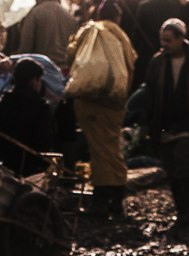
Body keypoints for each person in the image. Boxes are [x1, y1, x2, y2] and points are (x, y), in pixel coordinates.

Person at [144, 17, 189, 229]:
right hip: (165, 124)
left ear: (180, 39)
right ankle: (183, 212)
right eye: (162, 40)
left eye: (168, 40)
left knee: (183, 167)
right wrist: (148, 125)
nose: (164, 44)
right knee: (172, 169)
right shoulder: (157, 63)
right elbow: (149, 95)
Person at [67, 0, 136, 217]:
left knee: (99, 151)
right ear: (118, 17)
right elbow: (131, 64)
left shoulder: (91, 31)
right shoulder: (122, 37)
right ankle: (117, 199)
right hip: (115, 102)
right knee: (112, 148)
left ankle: (100, 200)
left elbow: (72, 54)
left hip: (90, 101)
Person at [0, 56, 57, 173]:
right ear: (34, 80)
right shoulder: (42, 108)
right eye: (40, 80)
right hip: (30, 169)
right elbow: (45, 141)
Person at [17, 0, 79, 70]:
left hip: (41, 72)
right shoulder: (69, 16)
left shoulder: (34, 14)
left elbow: (25, 50)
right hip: (64, 72)